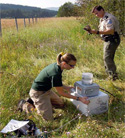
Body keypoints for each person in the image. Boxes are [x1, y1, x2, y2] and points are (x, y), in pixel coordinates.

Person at [22, 52, 89, 121]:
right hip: (38, 93)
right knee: (48, 120)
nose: (73, 68)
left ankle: (42, 104)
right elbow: (61, 93)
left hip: (47, 91)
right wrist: (79, 98)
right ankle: (25, 105)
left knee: (60, 104)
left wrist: (67, 88)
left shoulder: (59, 66)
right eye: (72, 66)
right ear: (64, 64)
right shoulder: (55, 73)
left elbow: (57, 83)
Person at [84, 6, 120, 80]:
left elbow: (111, 31)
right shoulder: (102, 19)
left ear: (102, 10)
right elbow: (103, 30)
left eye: (97, 13)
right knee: (108, 57)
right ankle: (111, 74)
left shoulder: (109, 18)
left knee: (107, 58)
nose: (96, 15)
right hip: (108, 40)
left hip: (112, 39)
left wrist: (97, 32)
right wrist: (91, 31)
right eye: (95, 14)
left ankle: (112, 76)